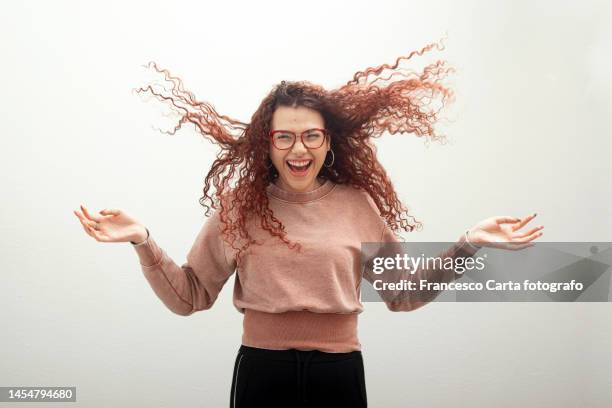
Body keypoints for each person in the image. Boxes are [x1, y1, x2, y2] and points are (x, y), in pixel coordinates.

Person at [73, 40, 544, 408]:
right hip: (262, 373)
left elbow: (402, 295)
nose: (299, 150)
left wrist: (468, 245)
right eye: (285, 137)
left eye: (311, 136)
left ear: (328, 140)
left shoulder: (357, 205)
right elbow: (191, 296)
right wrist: (143, 241)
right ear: (268, 143)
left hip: (338, 374)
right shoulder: (240, 206)